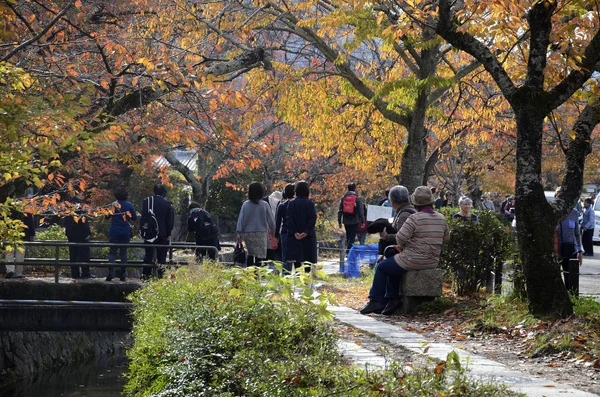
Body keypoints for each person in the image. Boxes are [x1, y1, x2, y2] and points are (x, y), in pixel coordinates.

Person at [360, 186, 449, 316]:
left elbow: (401, 239)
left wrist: (387, 237)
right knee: (392, 264)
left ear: (416, 202)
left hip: (413, 259)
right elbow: (446, 238)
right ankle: (392, 300)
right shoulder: (441, 218)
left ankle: (376, 300)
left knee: (382, 267)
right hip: (432, 261)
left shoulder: (414, 218)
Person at [236, 181, 276, 267]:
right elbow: (271, 221)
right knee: (261, 255)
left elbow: (241, 220)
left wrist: (239, 233)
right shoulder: (264, 205)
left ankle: (250, 272)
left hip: (249, 234)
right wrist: (274, 232)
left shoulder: (245, 205)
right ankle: (259, 273)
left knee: (251, 254)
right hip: (261, 233)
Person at [141, 184, 174, 279]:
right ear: (164, 193)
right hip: (162, 233)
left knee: (148, 255)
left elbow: (144, 217)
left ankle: (146, 275)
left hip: (149, 233)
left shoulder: (146, 201)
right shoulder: (167, 204)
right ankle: (161, 276)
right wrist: (169, 233)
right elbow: (169, 221)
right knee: (162, 256)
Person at [285, 181, 317, 273]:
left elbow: (289, 218)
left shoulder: (291, 203)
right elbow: (313, 218)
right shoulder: (310, 204)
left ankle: (298, 275)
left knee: (296, 257)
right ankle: (307, 276)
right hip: (308, 236)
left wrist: (295, 232)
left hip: (295, 236)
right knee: (308, 257)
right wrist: (306, 232)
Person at [106, 187, 137, 281]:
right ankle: (123, 274)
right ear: (126, 195)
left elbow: (106, 217)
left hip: (114, 231)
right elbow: (134, 218)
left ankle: (111, 273)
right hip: (125, 232)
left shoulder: (113, 205)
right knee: (123, 253)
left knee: (112, 253)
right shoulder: (129, 205)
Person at [378, 186, 415, 258]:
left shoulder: (403, 215)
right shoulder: (411, 210)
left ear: (393, 201)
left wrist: (386, 236)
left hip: (407, 254)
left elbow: (403, 238)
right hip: (411, 252)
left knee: (380, 267)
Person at [63, 197, 93, 279]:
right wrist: (88, 234)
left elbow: (66, 225)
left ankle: (75, 274)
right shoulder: (82, 212)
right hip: (82, 237)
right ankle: (86, 273)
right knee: (84, 256)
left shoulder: (69, 213)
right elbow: (85, 225)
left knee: (73, 256)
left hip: (71, 236)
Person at [5, 205, 35, 279]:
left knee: (9, 253)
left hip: (10, 233)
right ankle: (18, 273)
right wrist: (32, 234)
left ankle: (10, 270)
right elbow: (30, 222)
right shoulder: (26, 208)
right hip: (23, 234)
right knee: (20, 254)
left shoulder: (8, 206)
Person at [556, 205, 583, 290]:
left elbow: (577, 234)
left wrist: (579, 251)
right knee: (555, 280)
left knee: (570, 280)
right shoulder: (553, 212)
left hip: (570, 251)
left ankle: (571, 299)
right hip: (556, 251)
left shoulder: (574, 212)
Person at [338, 182, 365, 253]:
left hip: (346, 220)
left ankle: (348, 250)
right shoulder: (357, 198)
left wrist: (339, 221)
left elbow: (340, 210)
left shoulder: (343, 198)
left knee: (348, 236)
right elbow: (361, 210)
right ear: (354, 188)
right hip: (355, 220)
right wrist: (363, 221)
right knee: (352, 237)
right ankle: (348, 251)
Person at [275, 183, 295, 267]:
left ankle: (286, 274)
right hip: (296, 232)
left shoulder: (281, 205)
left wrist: (276, 235)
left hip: (284, 232)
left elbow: (278, 221)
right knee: (297, 256)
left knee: (285, 256)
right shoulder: (296, 204)